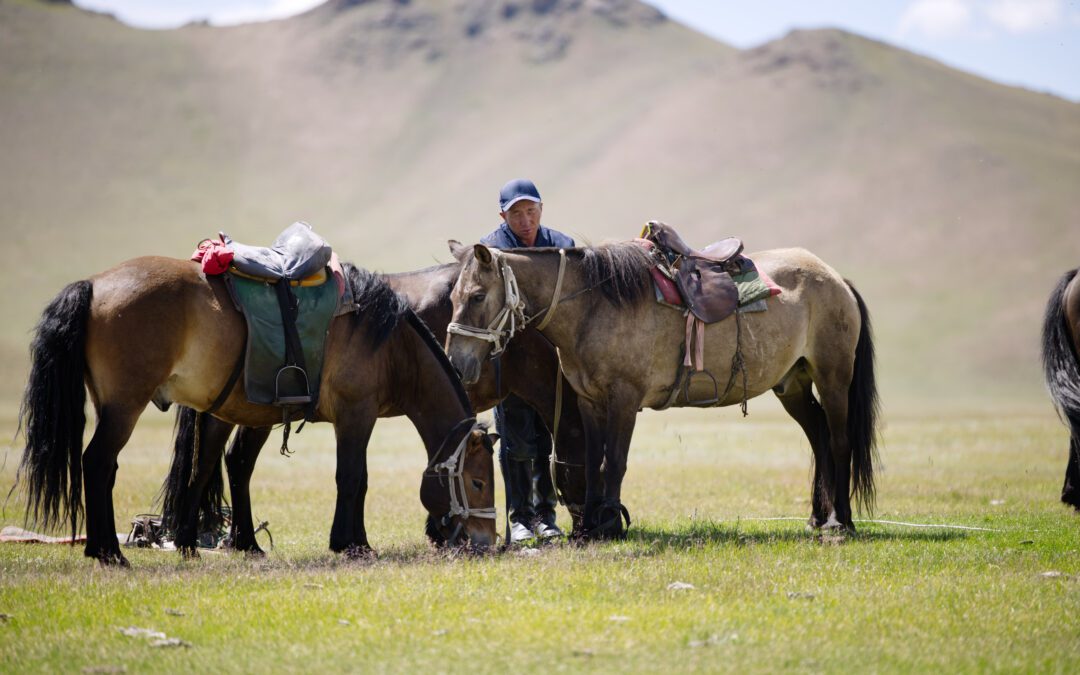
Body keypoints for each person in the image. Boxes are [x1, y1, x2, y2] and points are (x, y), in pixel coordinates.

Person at [481, 178, 574, 544]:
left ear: (541, 209)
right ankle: (519, 518)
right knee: (516, 441)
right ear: (503, 214)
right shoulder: (491, 250)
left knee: (546, 441)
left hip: (553, 362)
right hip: (513, 364)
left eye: (530, 211)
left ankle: (546, 517)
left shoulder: (562, 247)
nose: (525, 219)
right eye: (516, 213)